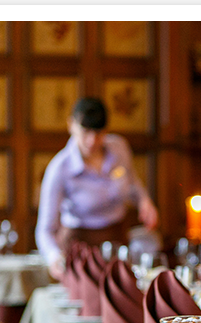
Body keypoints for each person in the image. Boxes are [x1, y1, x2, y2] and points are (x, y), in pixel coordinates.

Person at [35, 97, 159, 279]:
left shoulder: (119, 148)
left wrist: (144, 201)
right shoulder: (59, 168)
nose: (92, 141)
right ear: (71, 125)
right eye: (85, 133)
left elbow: (132, 183)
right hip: (80, 247)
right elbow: (44, 229)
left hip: (117, 240)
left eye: (99, 133)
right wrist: (54, 258)